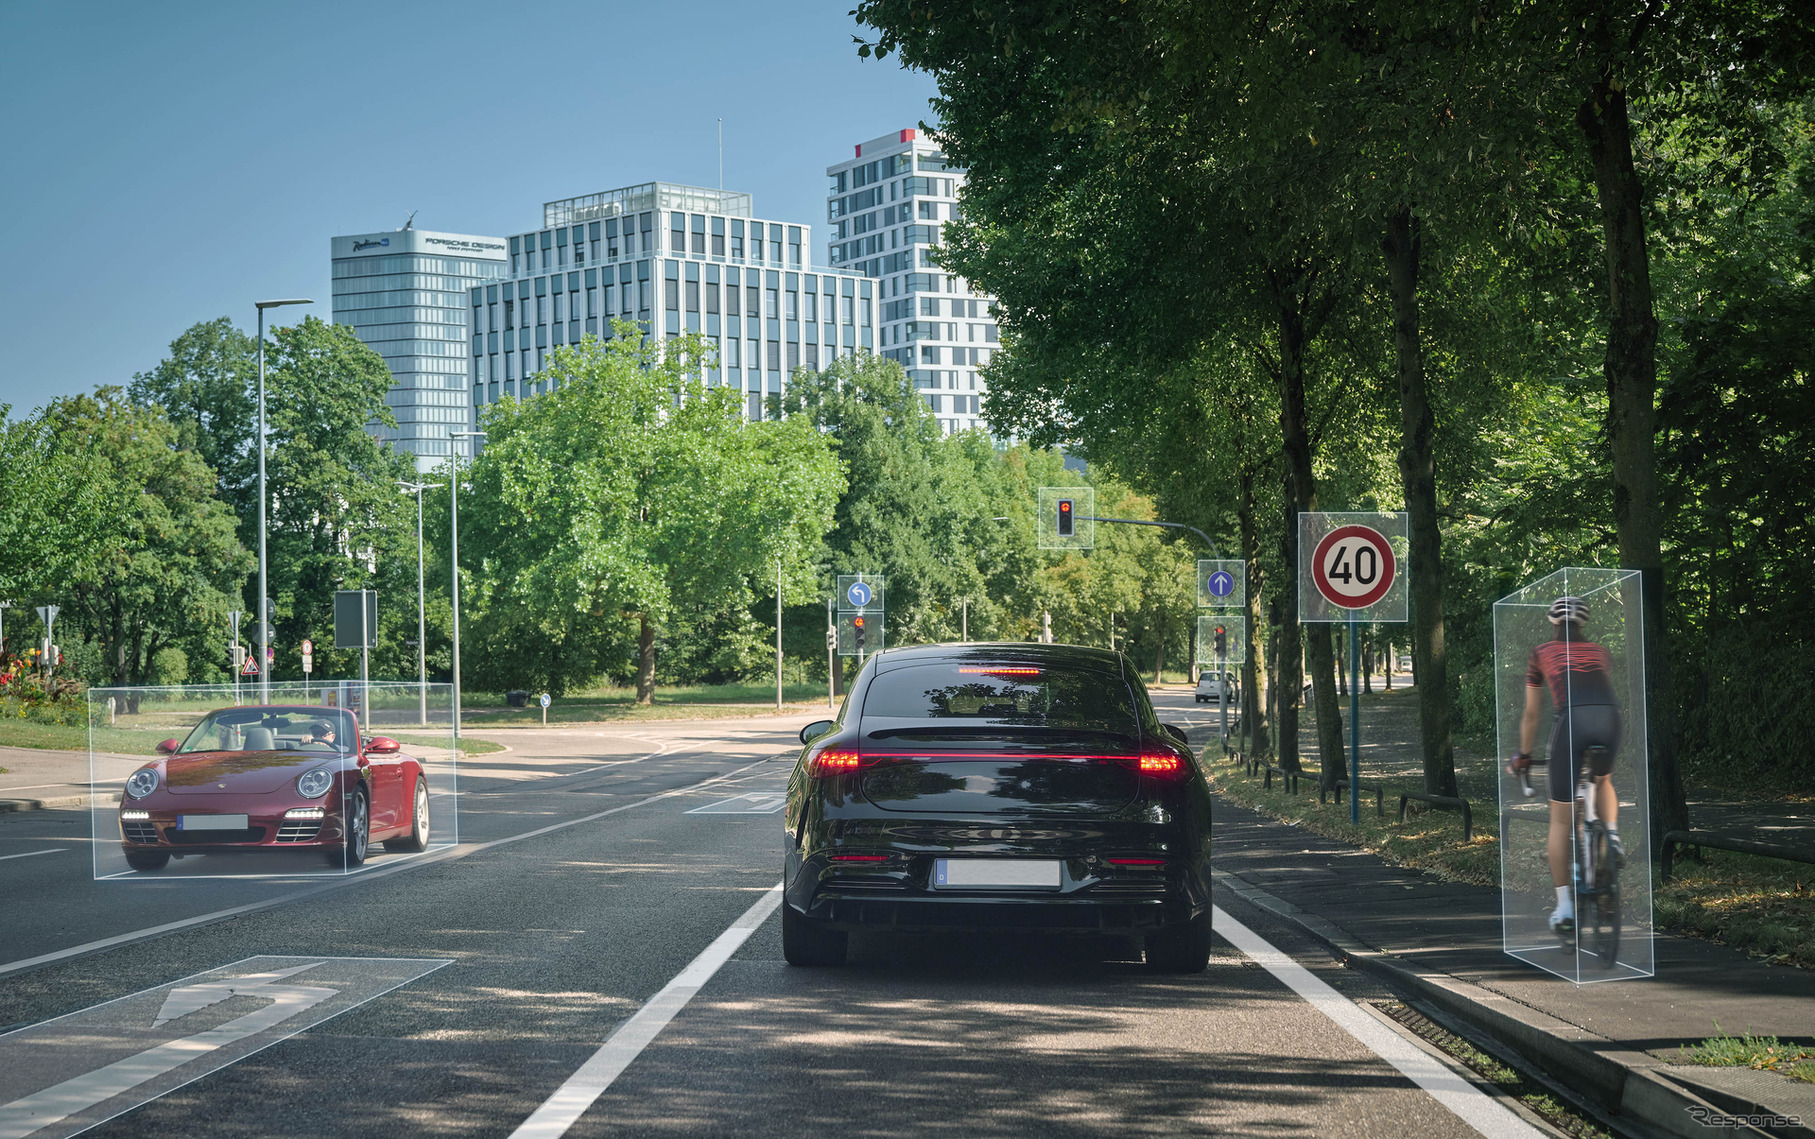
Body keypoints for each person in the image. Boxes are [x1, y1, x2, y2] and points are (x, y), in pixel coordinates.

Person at [1506, 596, 1624, 936]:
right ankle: (1612, 838)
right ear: (1583, 623)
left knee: (1560, 818)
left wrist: (1523, 755)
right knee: (1603, 781)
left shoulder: (1540, 652)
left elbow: (1532, 713)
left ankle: (1565, 908)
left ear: (1552, 622)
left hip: (1572, 723)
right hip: (1610, 719)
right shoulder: (1601, 651)